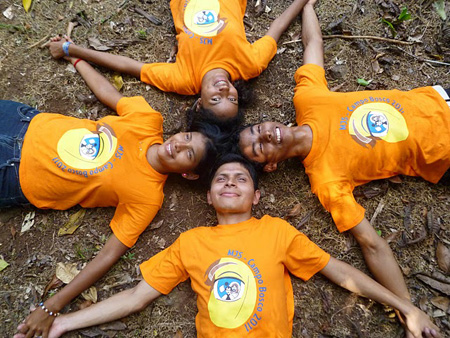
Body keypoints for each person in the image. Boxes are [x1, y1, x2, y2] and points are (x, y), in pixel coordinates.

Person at [14, 153, 441, 338]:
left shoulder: (277, 232)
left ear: (256, 197)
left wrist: (407, 307)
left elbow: (342, 274)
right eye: (222, 179)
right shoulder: (190, 242)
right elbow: (135, 297)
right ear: (209, 196)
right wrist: (66, 322)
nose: (231, 182)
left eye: (242, 179)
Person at [237, 0, 450, 332]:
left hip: (439, 100)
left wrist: (306, 4)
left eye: (256, 130)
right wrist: (409, 310)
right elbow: (371, 243)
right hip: (443, 154)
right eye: (259, 149)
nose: (263, 135)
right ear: (271, 167)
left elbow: (313, 44)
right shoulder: (325, 180)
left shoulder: (308, 99)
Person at [6, 41, 217, 338]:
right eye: (185, 136)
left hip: (14, 175)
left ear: (189, 173)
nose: (178, 144)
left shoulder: (148, 197)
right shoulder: (147, 119)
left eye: (188, 153)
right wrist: (75, 57)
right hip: (21, 122)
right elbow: (109, 95)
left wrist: (53, 306)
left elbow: (108, 255)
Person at [47, 0, 311, 126]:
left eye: (216, 100)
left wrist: (70, 48)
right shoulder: (249, 65)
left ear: (199, 102)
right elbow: (277, 27)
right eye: (232, 99)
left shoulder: (184, 80)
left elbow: (129, 66)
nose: (224, 92)